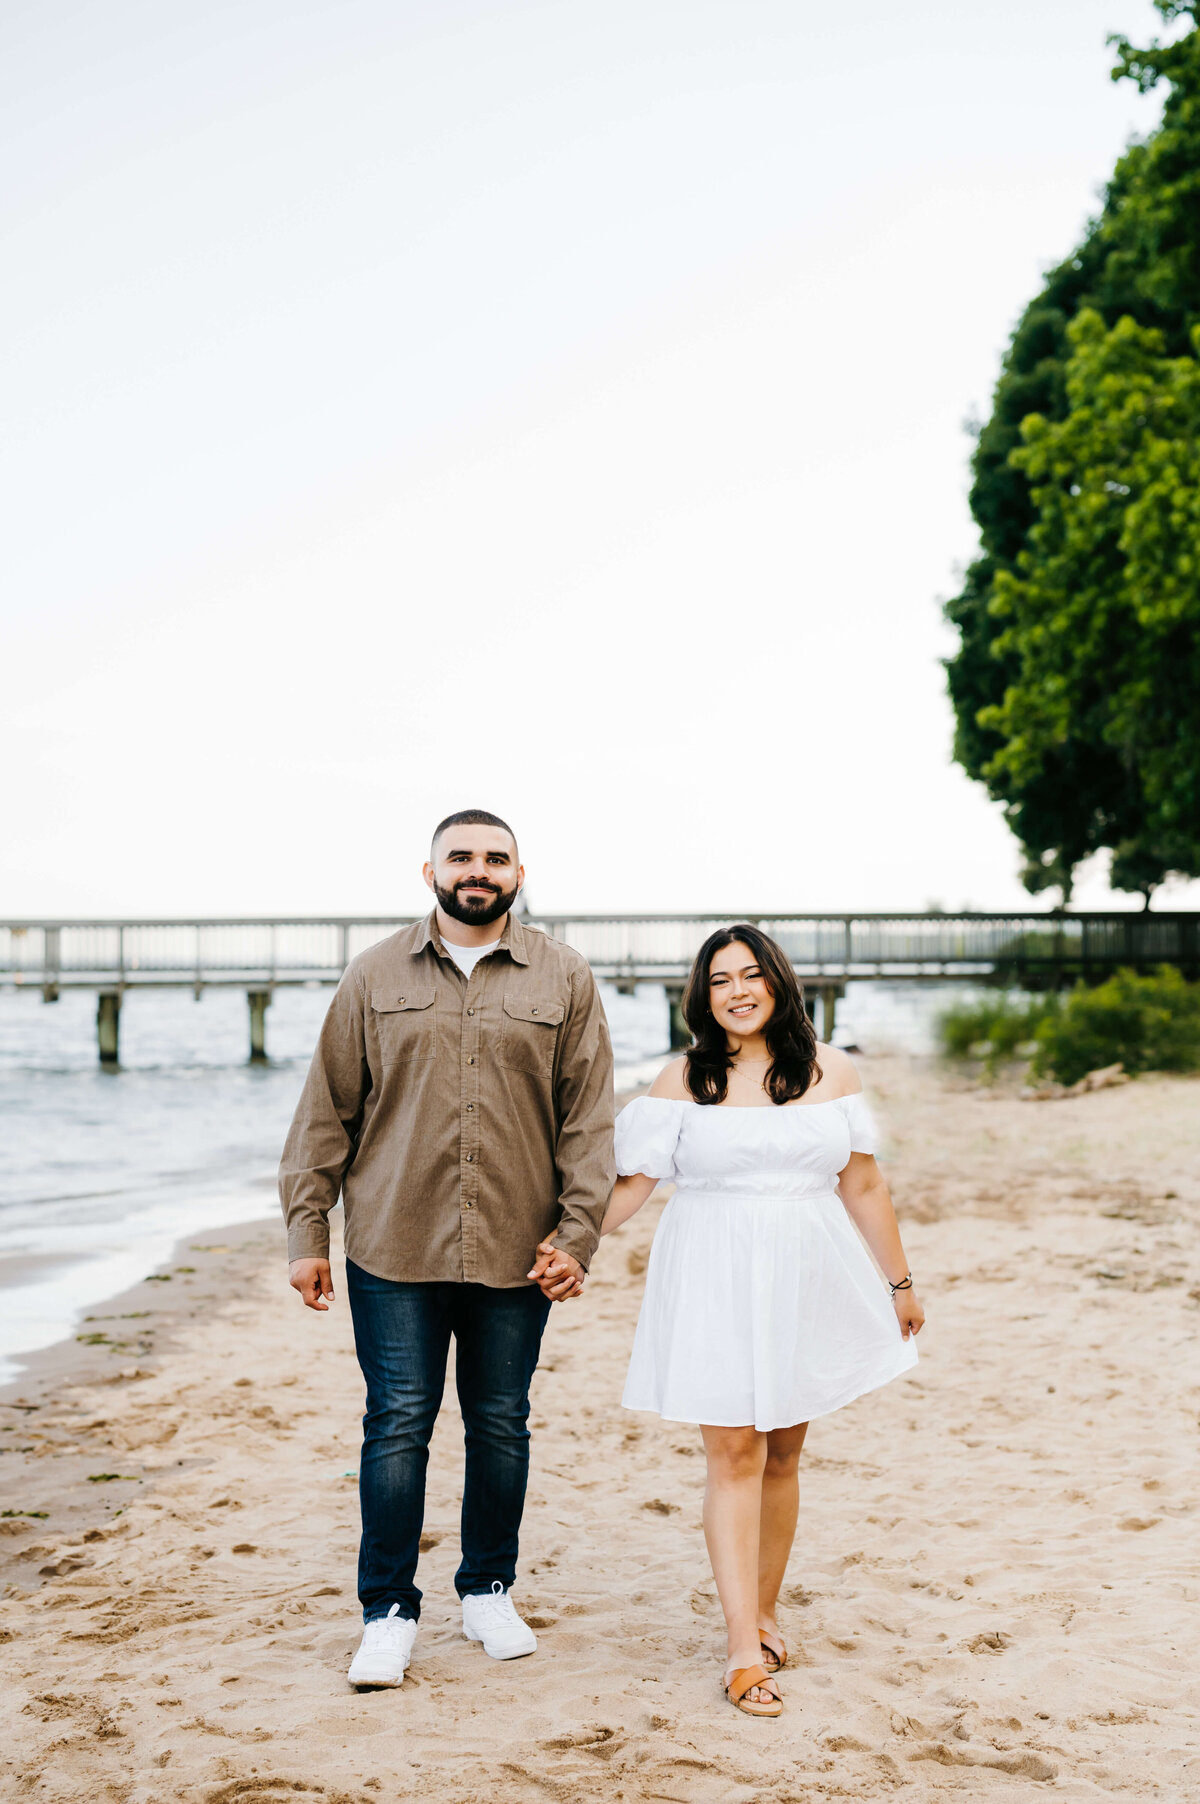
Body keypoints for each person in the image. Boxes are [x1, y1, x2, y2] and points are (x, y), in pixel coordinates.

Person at [279, 809, 614, 1689]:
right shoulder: (374, 973)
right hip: (393, 1243)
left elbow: (588, 1122)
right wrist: (306, 1230)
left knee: (501, 1423)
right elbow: (326, 1111)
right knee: (397, 1426)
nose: (479, 870)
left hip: (518, 1247)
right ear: (428, 872)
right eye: (460, 856)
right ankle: (387, 1609)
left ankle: (486, 1590)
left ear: (518, 871)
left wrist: (578, 1233)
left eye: (495, 858)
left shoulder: (564, 977)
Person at [601, 925, 922, 1718]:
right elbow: (629, 1189)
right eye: (720, 981)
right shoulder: (683, 1079)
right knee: (735, 1452)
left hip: (806, 1274)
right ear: (701, 996)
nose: (738, 991)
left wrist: (900, 1284)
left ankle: (766, 1610)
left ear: (777, 981)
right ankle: (742, 1647)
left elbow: (865, 1186)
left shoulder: (829, 1070)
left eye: (751, 975)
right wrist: (564, 1239)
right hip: (711, 1273)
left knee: (783, 1450)